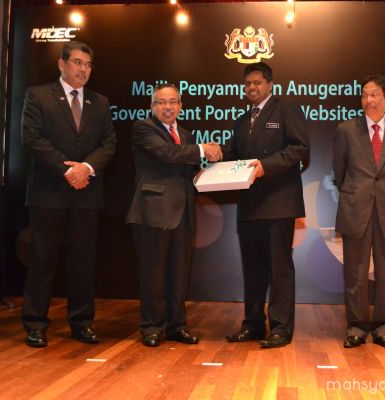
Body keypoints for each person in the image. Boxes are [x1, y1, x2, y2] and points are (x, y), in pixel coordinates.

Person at [21, 41, 117, 347]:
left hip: (86, 194)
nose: (83, 69)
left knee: (83, 263)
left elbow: (109, 144)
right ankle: (36, 323)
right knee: (42, 261)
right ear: (61, 64)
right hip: (49, 193)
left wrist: (86, 168)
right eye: (77, 62)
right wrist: (68, 171)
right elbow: (32, 138)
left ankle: (81, 322)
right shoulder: (38, 95)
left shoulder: (100, 102)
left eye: (88, 65)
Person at [125, 84, 222, 347]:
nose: (167, 107)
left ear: (180, 106)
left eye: (172, 102)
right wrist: (203, 150)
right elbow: (166, 154)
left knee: (179, 273)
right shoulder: (143, 128)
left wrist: (213, 162)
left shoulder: (186, 135)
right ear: (152, 106)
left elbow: (189, 169)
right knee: (153, 273)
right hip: (153, 211)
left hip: (183, 212)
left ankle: (177, 326)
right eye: (161, 102)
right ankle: (151, 327)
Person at [224, 62, 309, 348]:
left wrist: (266, 166)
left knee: (279, 269)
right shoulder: (241, 120)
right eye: (248, 83)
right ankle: (253, 325)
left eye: (257, 83)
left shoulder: (286, 109)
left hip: (278, 203)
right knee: (253, 269)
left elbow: (300, 148)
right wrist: (214, 157)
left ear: (270, 84)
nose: (252, 88)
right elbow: (234, 158)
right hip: (249, 205)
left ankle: (281, 328)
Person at [333, 74, 385, 350]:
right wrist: (358, 193)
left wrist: (383, 192)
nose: (369, 99)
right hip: (356, 208)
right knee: (355, 273)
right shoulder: (346, 130)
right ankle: (356, 326)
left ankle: (383, 327)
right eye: (365, 94)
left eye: (375, 94)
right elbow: (339, 172)